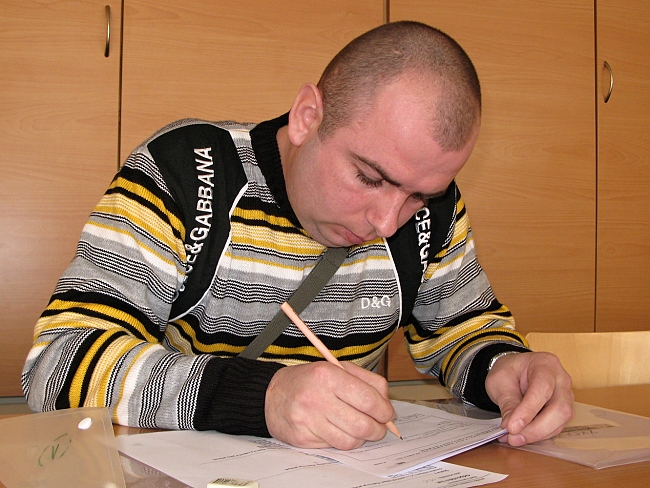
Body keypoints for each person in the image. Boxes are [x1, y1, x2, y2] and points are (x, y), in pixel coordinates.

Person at [22, 21, 573, 450]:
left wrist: (505, 367)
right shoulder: (188, 172)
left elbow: (460, 332)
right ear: (308, 116)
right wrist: (264, 397)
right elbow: (58, 363)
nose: (387, 223)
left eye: (418, 197)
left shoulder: (434, 210)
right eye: (369, 178)